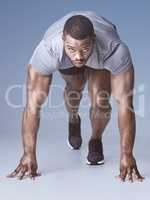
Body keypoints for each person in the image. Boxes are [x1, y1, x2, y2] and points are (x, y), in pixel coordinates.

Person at [7, 11, 144, 182]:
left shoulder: (114, 50)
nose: (79, 56)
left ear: (93, 40)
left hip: (100, 56)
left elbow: (125, 104)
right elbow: (32, 106)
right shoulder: (49, 50)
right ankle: (73, 119)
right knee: (75, 88)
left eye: (84, 49)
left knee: (100, 100)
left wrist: (127, 154)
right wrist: (28, 154)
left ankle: (95, 140)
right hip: (65, 58)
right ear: (63, 40)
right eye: (72, 49)